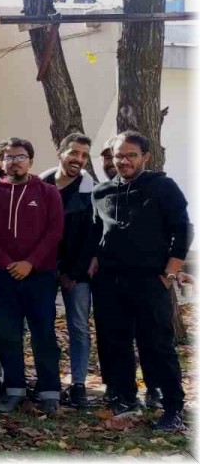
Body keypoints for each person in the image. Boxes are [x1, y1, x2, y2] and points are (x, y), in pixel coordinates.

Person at [91, 131, 190, 432]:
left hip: (149, 280)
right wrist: (94, 261)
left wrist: (171, 271)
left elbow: (182, 229)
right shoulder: (101, 192)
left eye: (131, 155)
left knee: (157, 345)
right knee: (115, 342)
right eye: (118, 155)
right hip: (110, 282)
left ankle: (172, 408)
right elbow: (96, 232)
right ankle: (126, 398)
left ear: (145, 157)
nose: (124, 161)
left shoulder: (163, 187)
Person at [0, 137, 64, 414]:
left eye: (20, 157)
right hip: (3, 278)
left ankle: (49, 391)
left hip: (40, 276)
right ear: (2, 162)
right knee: (8, 336)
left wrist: (30, 263)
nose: (14, 162)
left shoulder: (48, 192)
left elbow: (55, 232)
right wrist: (7, 264)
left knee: (43, 334)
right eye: (9, 158)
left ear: (31, 160)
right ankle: (14, 389)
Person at [40, 132, 99, 409]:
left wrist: (73, 273)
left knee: (78, 327)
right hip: (42, 267)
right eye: (74, 152)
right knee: (42, 324)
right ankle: (48, 380)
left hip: (78, 272)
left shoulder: (92, 190)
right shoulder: (41, 184)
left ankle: (78, 384)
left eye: (84, 155)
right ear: (60, 153)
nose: (79, 159)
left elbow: (93, 236)